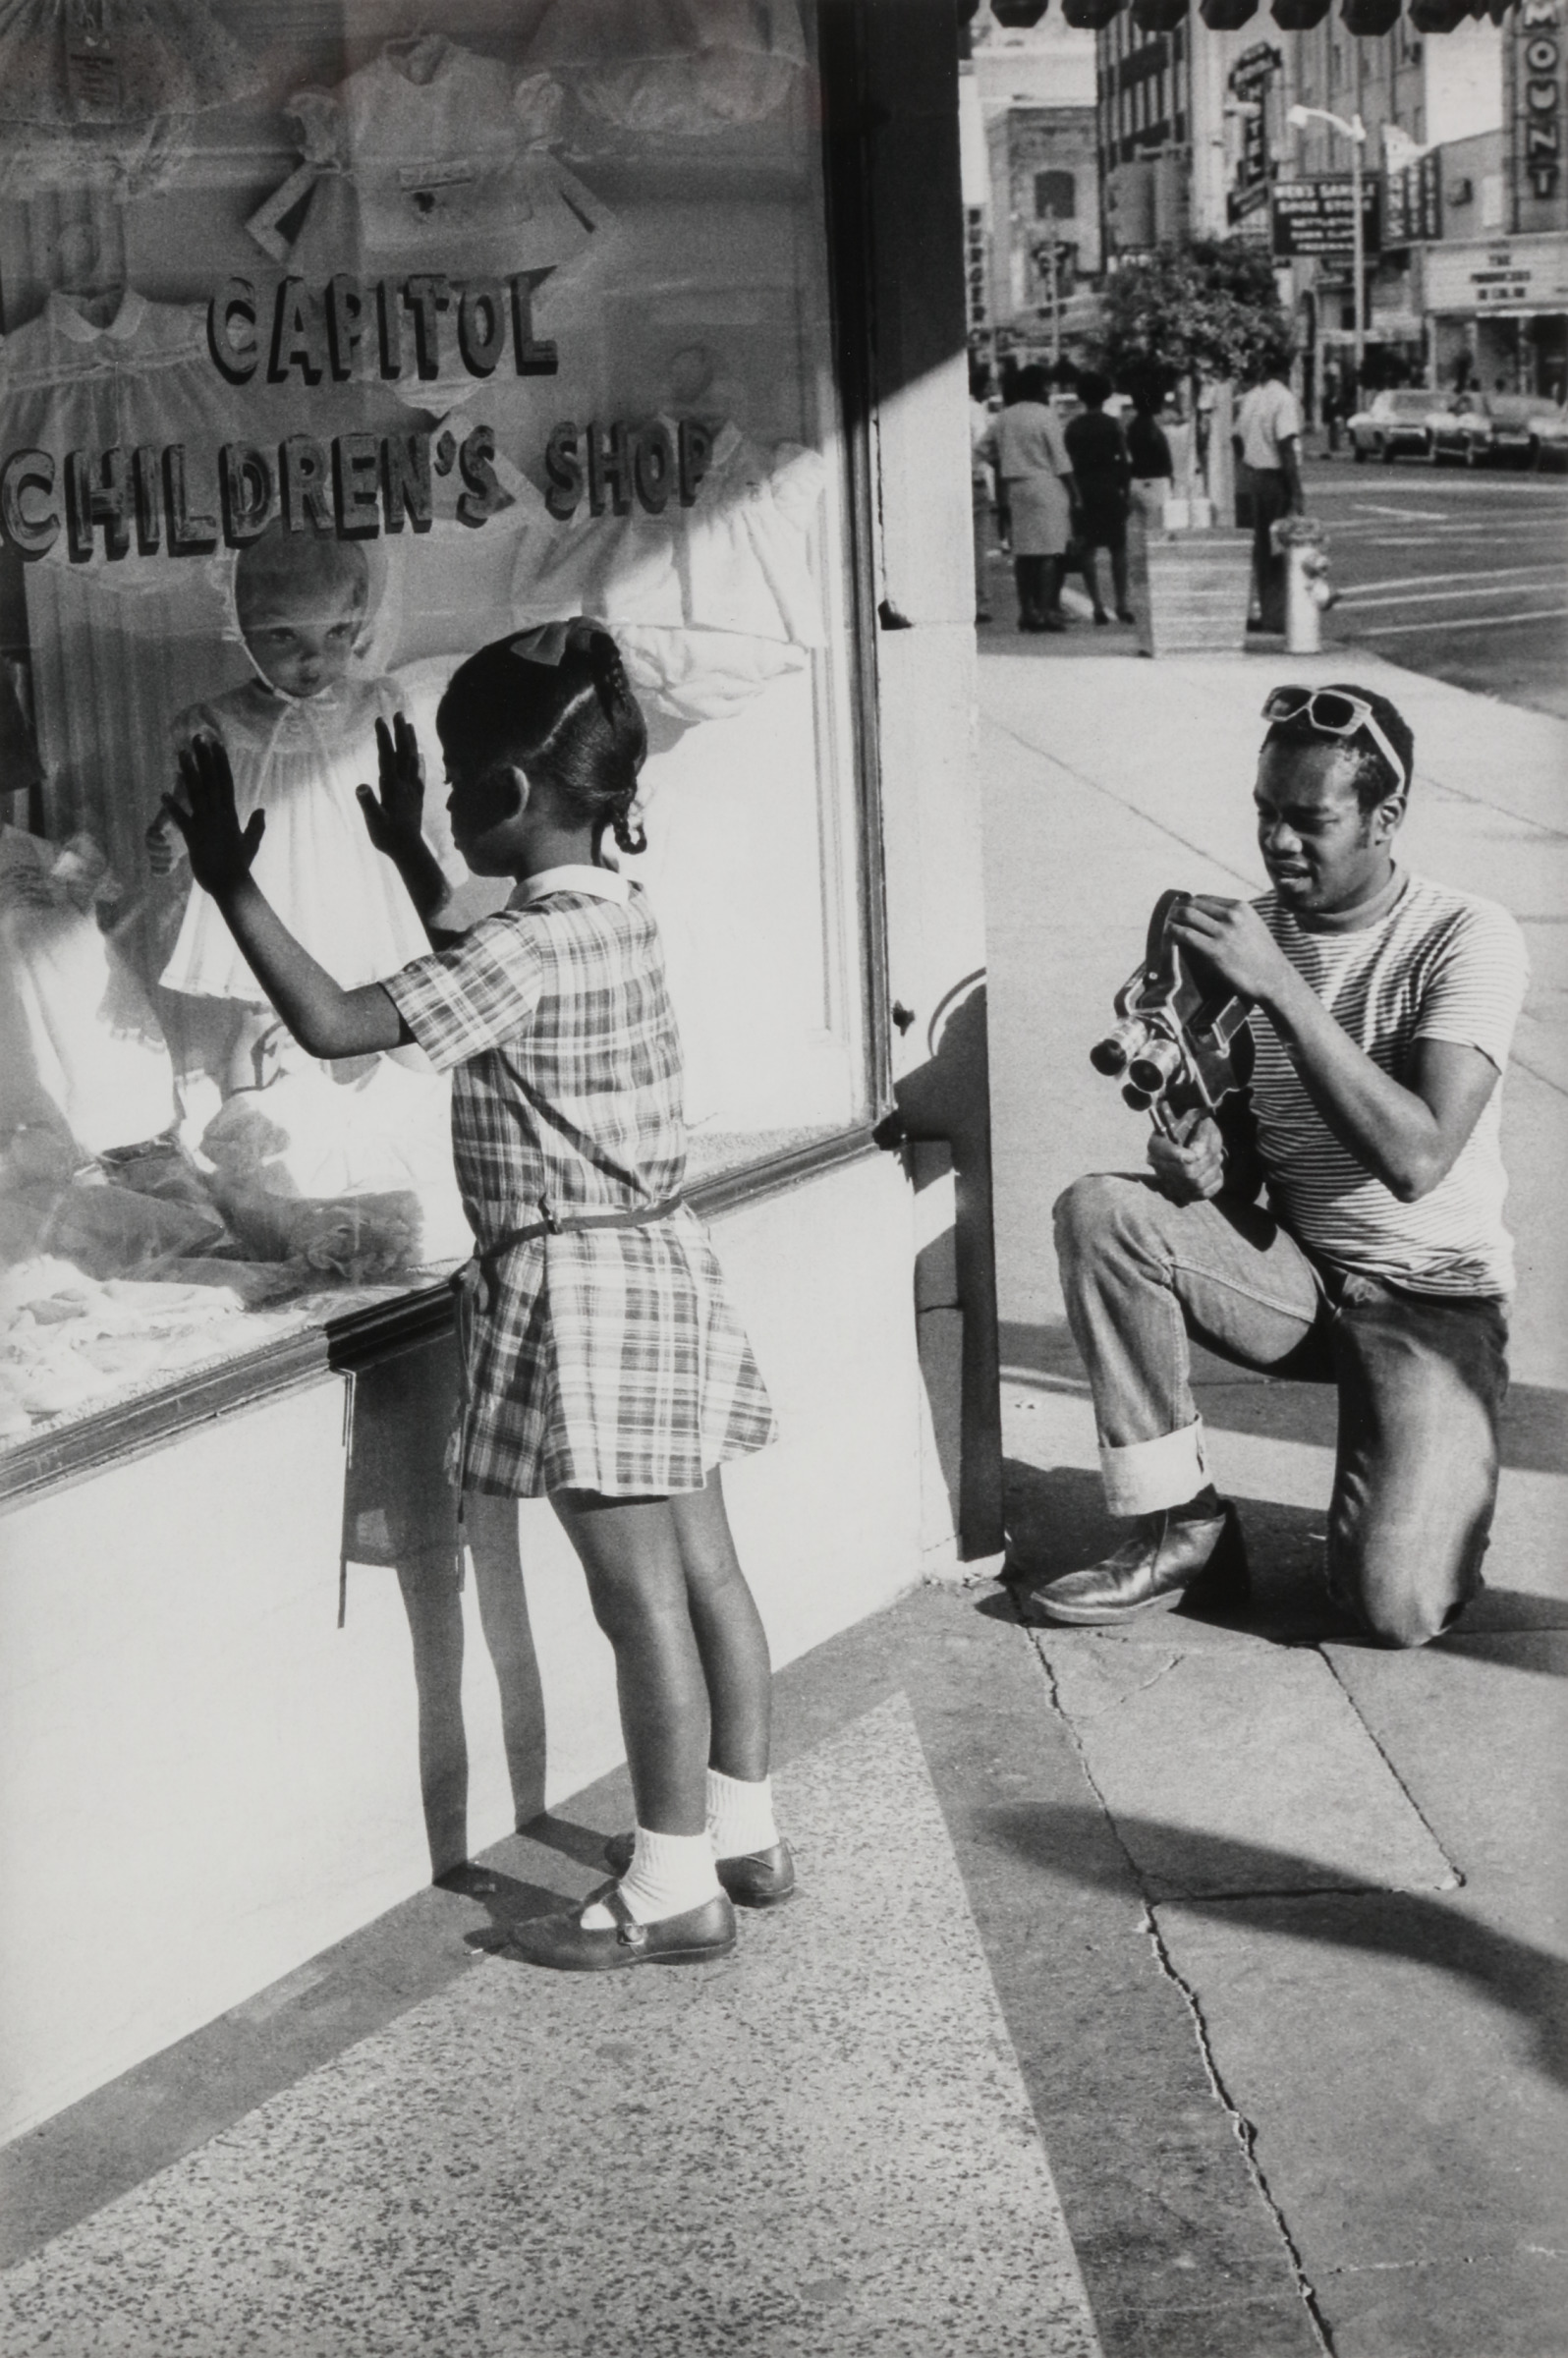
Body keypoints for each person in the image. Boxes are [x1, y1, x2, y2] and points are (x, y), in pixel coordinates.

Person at [159, 618, 792, 1971]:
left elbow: (337, 1025)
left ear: (507, 797)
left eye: (453, 786)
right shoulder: (605, 912)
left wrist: (229, 882)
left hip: (581, 1292)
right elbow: (482, 941)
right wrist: (404, 853)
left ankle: (673, 1886)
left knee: (638, 1608)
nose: (442, 805)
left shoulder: (516, 955)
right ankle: (746, 1827)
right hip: (660, 1259)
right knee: (710, 1571)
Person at [1027, 683, 1528, 1651]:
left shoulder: (1466, 936)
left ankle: (1424, 1459)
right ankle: (1183, 1527)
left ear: (1386, 819)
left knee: (1395, 1610)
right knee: (1102, 1211)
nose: (1278, 842)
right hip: (1296, 1276)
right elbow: (1247, 1169)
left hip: (1432, 1301)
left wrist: (1283, 990)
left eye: (1311, 821)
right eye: (1266, 813)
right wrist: (1199, 1167)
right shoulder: (1246, 937)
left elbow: (1417, 1158)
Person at [148, 528, 432, 1096]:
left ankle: (383, 1114)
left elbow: (406, 786)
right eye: (283, 635)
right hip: (268, 884)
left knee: (379, 999)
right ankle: (246, 1129)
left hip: (354, 880)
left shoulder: (374, 702)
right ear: (244, 633)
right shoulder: (221, 719)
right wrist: (172, 835)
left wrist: (419, 843)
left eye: (336, 633)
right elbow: (196, 793)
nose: (313, 657)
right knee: (264, 1011)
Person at [982, 363, 1078, 634]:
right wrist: (1075, 493)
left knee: (1024, 553)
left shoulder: (1005, 417)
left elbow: (982, 449)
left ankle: (1027, 611)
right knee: (1048, 552)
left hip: (1017, 489)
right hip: (1047, 486)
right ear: (1040, 387)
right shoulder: (1045, 415)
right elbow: (1061, 459)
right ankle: (1047, 611)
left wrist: (1002, 464)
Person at [1233, 340, 1304, 636]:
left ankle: (1263, 610)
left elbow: (1235, 437)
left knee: (1259, 551)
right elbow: (1286, 444)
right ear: (1287, 370)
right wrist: (1296, 491)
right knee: (1277, 551)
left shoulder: (1251, 397)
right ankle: (1276, 617)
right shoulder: (1284, 399)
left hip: (1249, 479)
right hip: (1273, 480)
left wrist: (1247, 459)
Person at [1063, 371, 1134, 626]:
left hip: (1083, 489)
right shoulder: (1113, 424)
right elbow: (1124, 461)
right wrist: (1125, 492)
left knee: (1088, 549)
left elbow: (1066, 462)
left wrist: (1072, 495)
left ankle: (1097, 606)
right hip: (1109, 489)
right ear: (1106, 394)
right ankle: (1122, 603)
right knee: (1118, 547)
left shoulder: (1073, 426)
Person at [969, 360, 995, 626]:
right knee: (978, 547)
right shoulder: (976, 411)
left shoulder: (950, 408)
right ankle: (981, 602)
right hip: (974, 483)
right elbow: (983, 448)